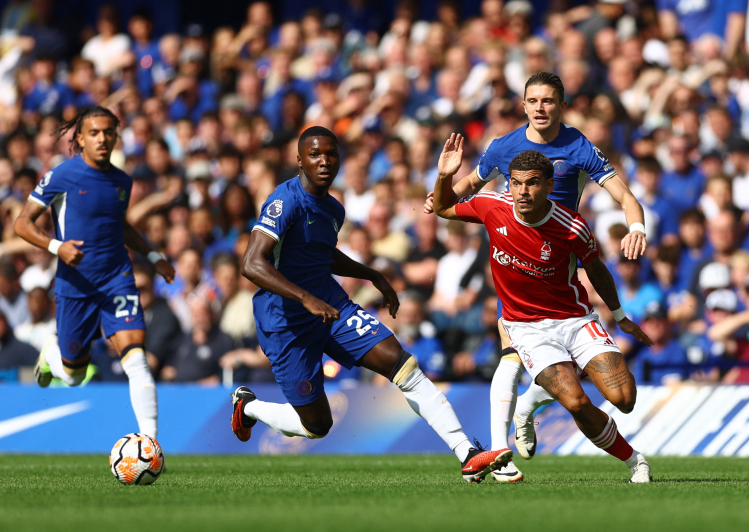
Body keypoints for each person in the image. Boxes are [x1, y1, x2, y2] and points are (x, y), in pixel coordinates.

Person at [230, 126, 512, 483]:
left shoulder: (333, 209)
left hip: (331, 307)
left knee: (402, 364)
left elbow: (321, 253)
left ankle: (467, 454)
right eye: (315, 154)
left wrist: (372, 274)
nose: (324, 161)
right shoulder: (283, 201)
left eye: (331, 154)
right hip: (285, 319)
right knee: (316, 425)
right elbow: (252, 263)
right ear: (299, 160)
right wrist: (305, 298)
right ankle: (249, 406)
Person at [423, 72, 647, 465]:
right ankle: (499, 455)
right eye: (533, 101)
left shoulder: (579, 146)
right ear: (523, 105)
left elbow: (625, 195)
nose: (540, 108)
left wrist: (636, 227)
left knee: (620, 397)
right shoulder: (502, 148)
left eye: (548, 101)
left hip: (560, 268)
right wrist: (440, 189)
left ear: (561, 106)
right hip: (515, 261)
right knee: (509, 356)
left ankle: (528, 405)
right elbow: (465, 193)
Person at [13, 106, 176, 439]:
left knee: (136, 360)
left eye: (108, 132)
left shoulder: (122, 181)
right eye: (94, 133)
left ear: (116, 136)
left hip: (117, 279)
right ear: (81, 139)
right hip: (76, 285)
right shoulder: (62, 175)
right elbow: (22, 223)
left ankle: (151, 445)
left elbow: (120, 226)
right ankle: (52, 355)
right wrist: (57, 247)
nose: (103, 139)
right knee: (73, 375)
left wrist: (154, 255)